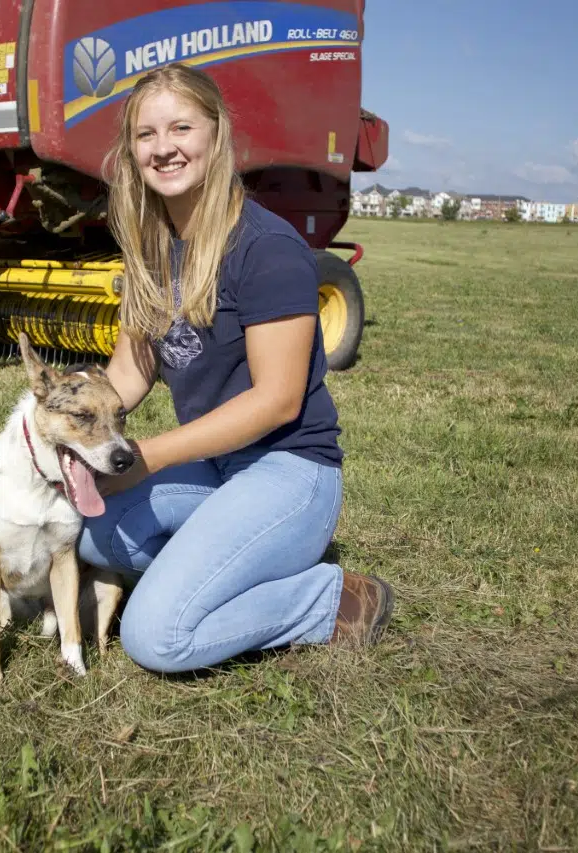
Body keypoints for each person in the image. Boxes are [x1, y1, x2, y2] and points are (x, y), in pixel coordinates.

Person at [76, 62, 394, 676]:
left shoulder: (266, 249)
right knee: (91, 534)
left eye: (181, 128)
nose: (163, 148)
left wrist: (151, 455)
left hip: (289, 472)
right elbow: (131, 371)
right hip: (216, 471)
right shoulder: (149, 247)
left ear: (217, 136)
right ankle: (239, 561)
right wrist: (68, 430)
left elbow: (275, 401)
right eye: (146, 135)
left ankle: (331, 600)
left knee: (156, 637)